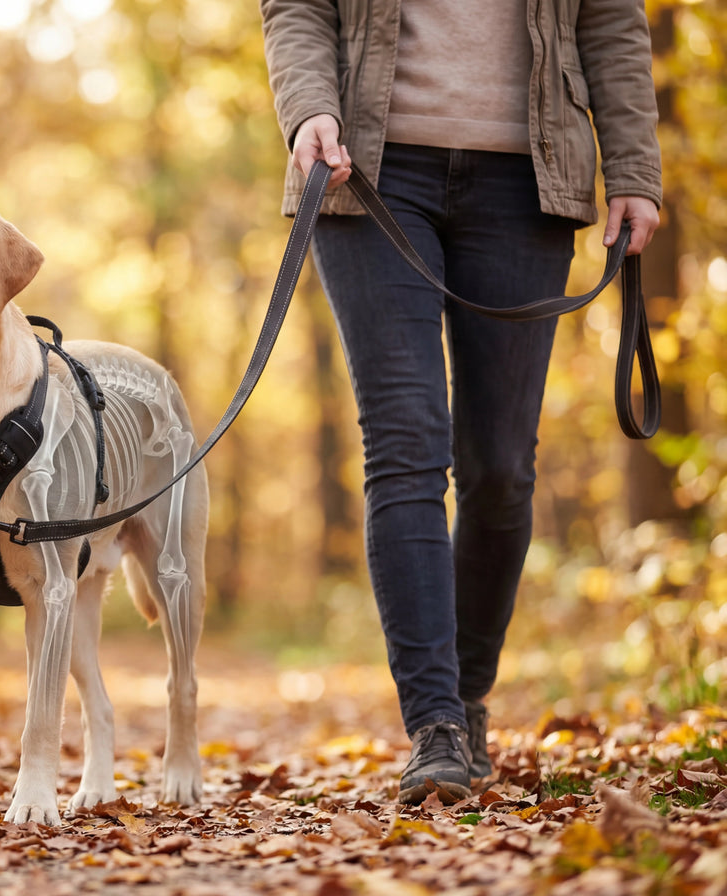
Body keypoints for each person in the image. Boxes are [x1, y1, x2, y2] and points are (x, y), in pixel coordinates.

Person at [260, 0, 662, 804]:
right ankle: (436, 724)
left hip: (529, 176)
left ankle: (467, 698)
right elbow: (297, 7)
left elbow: (612, 21)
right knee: (406, 439)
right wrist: (309, 107)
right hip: (369, 164)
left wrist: (634, 171)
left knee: (503, 468)